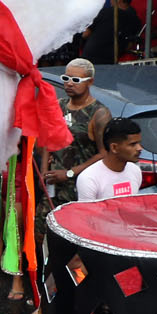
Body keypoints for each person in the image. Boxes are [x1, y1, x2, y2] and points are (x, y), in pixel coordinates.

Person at [43, 58, 109, 204]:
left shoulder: (99, 113)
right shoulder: (59, 106)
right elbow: (48, 140)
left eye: (76, 80)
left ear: (89, 82)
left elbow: (104, 153)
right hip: (53, 188)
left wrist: (70, 173)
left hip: (80, 189)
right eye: (66, 78)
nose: (70, 83)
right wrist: (43, 173)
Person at [75, 117, 144, 202]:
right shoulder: (88, 178)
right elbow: (87, 214)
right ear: (114, 147)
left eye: (139, 143)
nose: (139, 148)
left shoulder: (135, 171)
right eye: (133, 144)